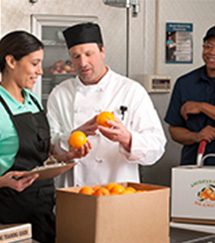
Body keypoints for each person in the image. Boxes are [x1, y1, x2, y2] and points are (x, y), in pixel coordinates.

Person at [47, 22, 166, 188]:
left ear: (102, 51)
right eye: (76, 56)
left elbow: (157, 146)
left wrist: (127, 138)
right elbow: (50, 148)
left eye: (89, 54)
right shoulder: (60, 93)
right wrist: (72, 137)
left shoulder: (131, 90)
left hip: (117, 191)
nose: (83, 63)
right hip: (74, 192)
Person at [0, 30, 91, 243]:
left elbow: (40, 153)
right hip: (6, 210)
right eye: (34, 63)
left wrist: (64, 157)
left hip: (42, 208)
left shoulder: (32, 100)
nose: (40, 71)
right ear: (11, 61)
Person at [165, 25, 215, 165]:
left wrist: (202, 107)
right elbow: (174, 130)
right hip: (192, 167)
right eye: (208, 46)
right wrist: (197, 136)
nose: (212, 52)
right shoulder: (185, 83)